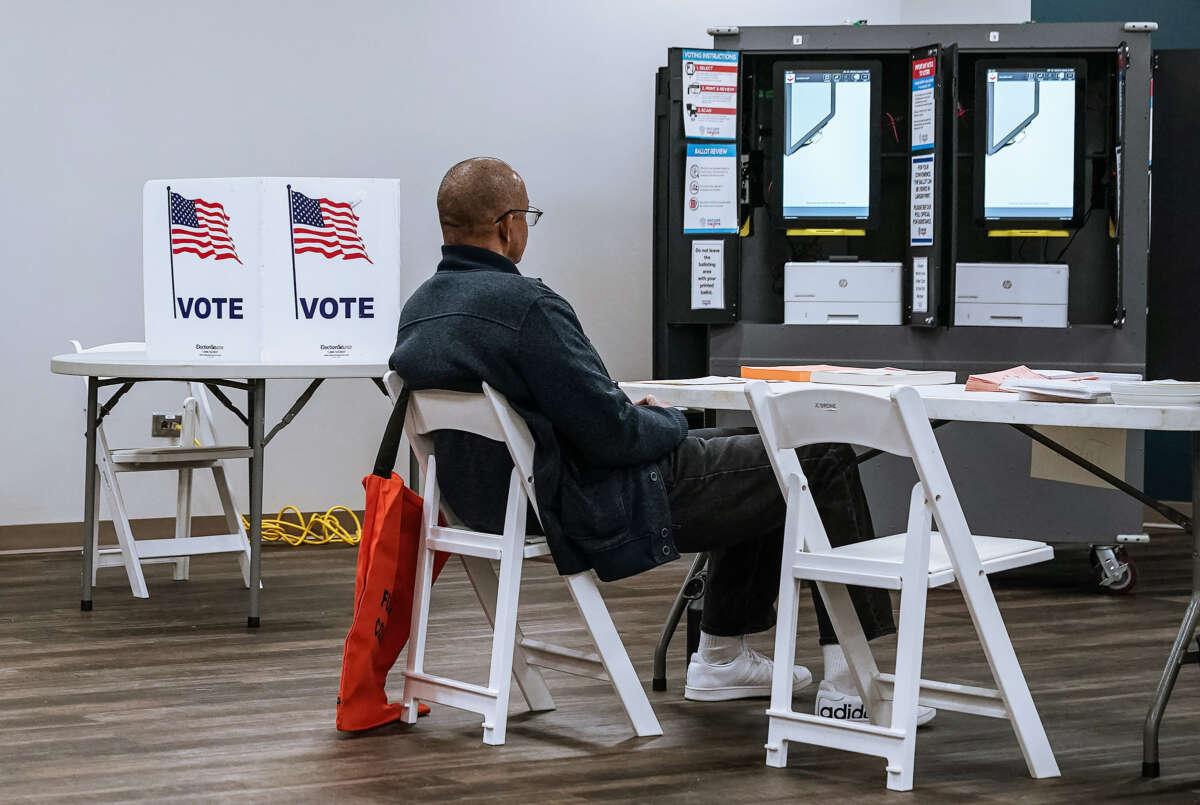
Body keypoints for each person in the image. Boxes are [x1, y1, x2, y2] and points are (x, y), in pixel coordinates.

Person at [389, 157, 933, 723]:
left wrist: (629, 416)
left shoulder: (419, 311)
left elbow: (580, 416)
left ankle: (722, 657)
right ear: (508, 225)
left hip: (491, 507)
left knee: (763, 453)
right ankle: (853, 685)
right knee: (819, 455)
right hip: (595, 500)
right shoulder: (527, 306)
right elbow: (615, 436)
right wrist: (672, 420)